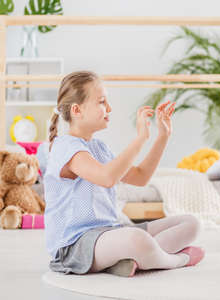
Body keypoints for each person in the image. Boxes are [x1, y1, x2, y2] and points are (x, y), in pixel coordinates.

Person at [44, 71, 204, 277]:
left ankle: (126, 260)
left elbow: (140, 177)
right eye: (102, 102)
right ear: (77, 110)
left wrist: (162, 136)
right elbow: (107, 178)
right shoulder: (65, 147)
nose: (109, 108)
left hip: (109, 233)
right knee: (138, 239)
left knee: (191, 224)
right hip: (75, 244)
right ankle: (177, 260)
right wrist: (140, 139)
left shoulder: (99, 147)